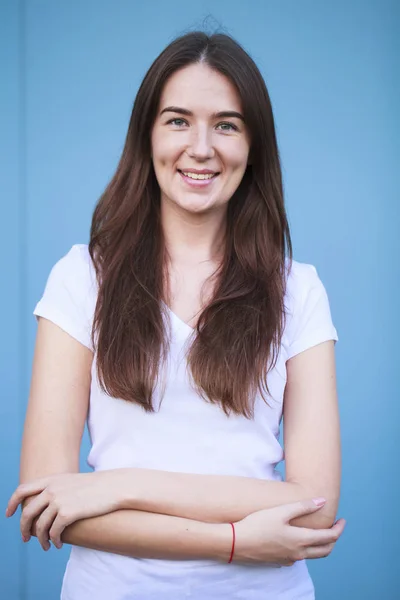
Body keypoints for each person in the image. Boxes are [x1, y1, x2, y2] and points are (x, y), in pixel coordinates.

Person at [6, 31, 345, 600]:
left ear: (253, 145)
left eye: (227, 125)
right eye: (178, 120)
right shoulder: (80, 279)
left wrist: (114, 487)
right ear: (148, 136)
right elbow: (48, 501)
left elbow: (312, 504)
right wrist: (234, 539)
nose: (202, 147)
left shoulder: (299, 290)